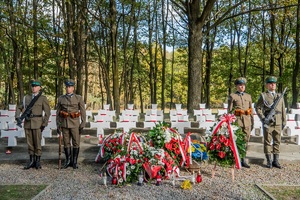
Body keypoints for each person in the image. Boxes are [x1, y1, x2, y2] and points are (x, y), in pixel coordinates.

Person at [15, 80, 51, 170]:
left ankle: (37, 161)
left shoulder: (43, 98)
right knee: (29, 143)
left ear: (39, 88)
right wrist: (17, 117)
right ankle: (31, 161)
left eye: (36, 86)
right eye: (32, 86)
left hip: (38, 123)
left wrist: (44, 123)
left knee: (37, 143)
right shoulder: (25, 98)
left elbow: (47, 112)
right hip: (27, 123)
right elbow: (19, 107)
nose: (34, 87)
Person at [255, 76, 286, 169]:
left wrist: (284, 121)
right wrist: (263, 118)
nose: (273, 85)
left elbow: (283, 109)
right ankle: (269, 161)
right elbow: (258, 108)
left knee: (277, 141)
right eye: (271, 83)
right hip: (268, 122)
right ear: (267, 85)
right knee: (267, 141)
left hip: (278, 121)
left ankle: (275, 160)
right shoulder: (264, 96)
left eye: (274, 83)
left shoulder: (280, 96)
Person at [56, 79, 86, 169]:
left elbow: (83, 111)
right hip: (64, 123)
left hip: (75, 123)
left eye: (70, 87)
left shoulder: (78, 98)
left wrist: (83, 123)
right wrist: (58, 124)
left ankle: (74, 161)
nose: (68, 88)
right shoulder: (61, 98)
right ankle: (68, 160)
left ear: (73, 88)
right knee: (66, 142)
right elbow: (58, 113)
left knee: (76, 142)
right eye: (67, 87)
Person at [228, 77, 254, 168]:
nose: (242, 87)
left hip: (247, 121)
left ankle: (243, 158)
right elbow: (230, 111)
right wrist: (230, 122)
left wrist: (252, 121)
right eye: (240, 85)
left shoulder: (248, 96)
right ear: (236, 86)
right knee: (237, 140)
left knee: (246, 140)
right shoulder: (233, 96)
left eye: (243, 85)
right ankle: (236, 158)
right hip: (237, 121)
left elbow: (251, 109)